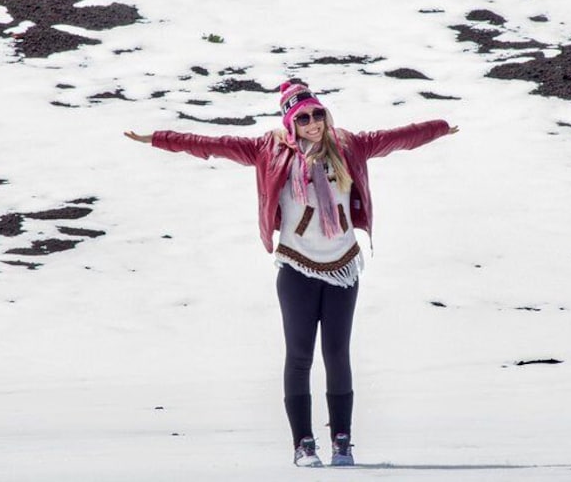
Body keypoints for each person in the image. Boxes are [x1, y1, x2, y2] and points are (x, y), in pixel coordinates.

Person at [125, 80, 457, 467]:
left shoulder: (348, 145)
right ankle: (303, 444)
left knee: (337, 354)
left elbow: (396, 138)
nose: (313, 123)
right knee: (299, 357)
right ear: (290, 121)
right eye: (303, 117)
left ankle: (342, 443)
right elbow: (210, 144)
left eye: (318, 114)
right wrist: (158, 138)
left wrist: (439, 127)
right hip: (296, 266)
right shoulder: (267, 149)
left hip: (343, 266)